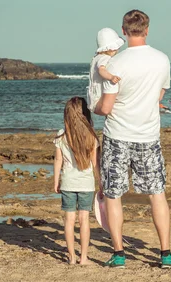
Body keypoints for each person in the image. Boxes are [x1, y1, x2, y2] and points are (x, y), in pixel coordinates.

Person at [94, 9, 171, 269]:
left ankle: (119, 253)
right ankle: (166, 253)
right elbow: (159, 95)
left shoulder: (115, 63)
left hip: (118, 135)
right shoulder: (162, 60)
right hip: (148, 135)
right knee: (157, 194)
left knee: (114, 194)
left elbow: (106, 108)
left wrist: (94, 107)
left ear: (124, 30)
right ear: (147, 29)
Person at [53, 97, 100, 265]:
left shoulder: (61, 135)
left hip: (67, 183)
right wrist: (100, 183)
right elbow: (96, 164)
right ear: (86, 114)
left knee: (69, 220)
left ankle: (72, 257)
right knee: (84, 220)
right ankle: (84, 257)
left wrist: (55, 181)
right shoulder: (91, 136)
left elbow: (58, 161)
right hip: (86, 184)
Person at [87, 28, 125, 111]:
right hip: (98, 95)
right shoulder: (104, 58)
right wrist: (111, 77)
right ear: (111, 49)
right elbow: (101, 70)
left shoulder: (97, 57)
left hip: (93, 96)